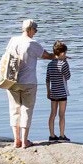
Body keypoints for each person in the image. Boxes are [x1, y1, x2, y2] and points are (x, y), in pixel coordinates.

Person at [4, 19, 49, 147]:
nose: (35, 32)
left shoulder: (13, 40)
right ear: (30, 29)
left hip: (12, 80)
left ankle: (16, 140)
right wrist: (57, 56)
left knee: (14, 109)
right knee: (27, 110)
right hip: (29, 82)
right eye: (35, 29)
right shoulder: (33, 43)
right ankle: (24, 141)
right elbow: (45, 55)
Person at [46, 40, 71, 143]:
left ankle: (52, 135)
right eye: (65, 53)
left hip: (53, 92)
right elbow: (68, 76)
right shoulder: (63, 64)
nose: (65, 55)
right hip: (62, 93)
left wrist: (48, 91)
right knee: (62, 115)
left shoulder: (50, 64)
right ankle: (61, 135)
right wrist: (66, 62)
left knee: (52, 114)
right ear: (62, 53)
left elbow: (47, 79)